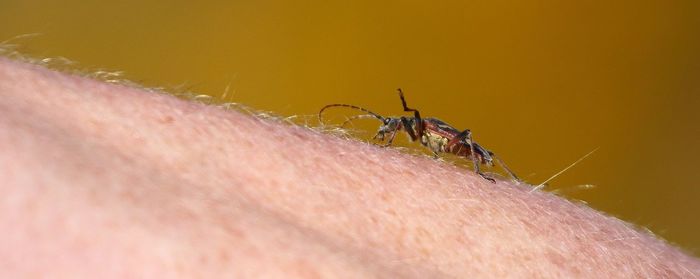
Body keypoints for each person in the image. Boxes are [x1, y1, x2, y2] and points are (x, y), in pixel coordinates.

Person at [1, 57, 698, 278]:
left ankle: (494, 175)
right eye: (396, 128)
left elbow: (440, 135)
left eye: (398, 126)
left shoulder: (436, 135)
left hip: (469, 151)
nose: (394, 132)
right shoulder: (408, 130)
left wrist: (474, 169)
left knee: (469, 153)